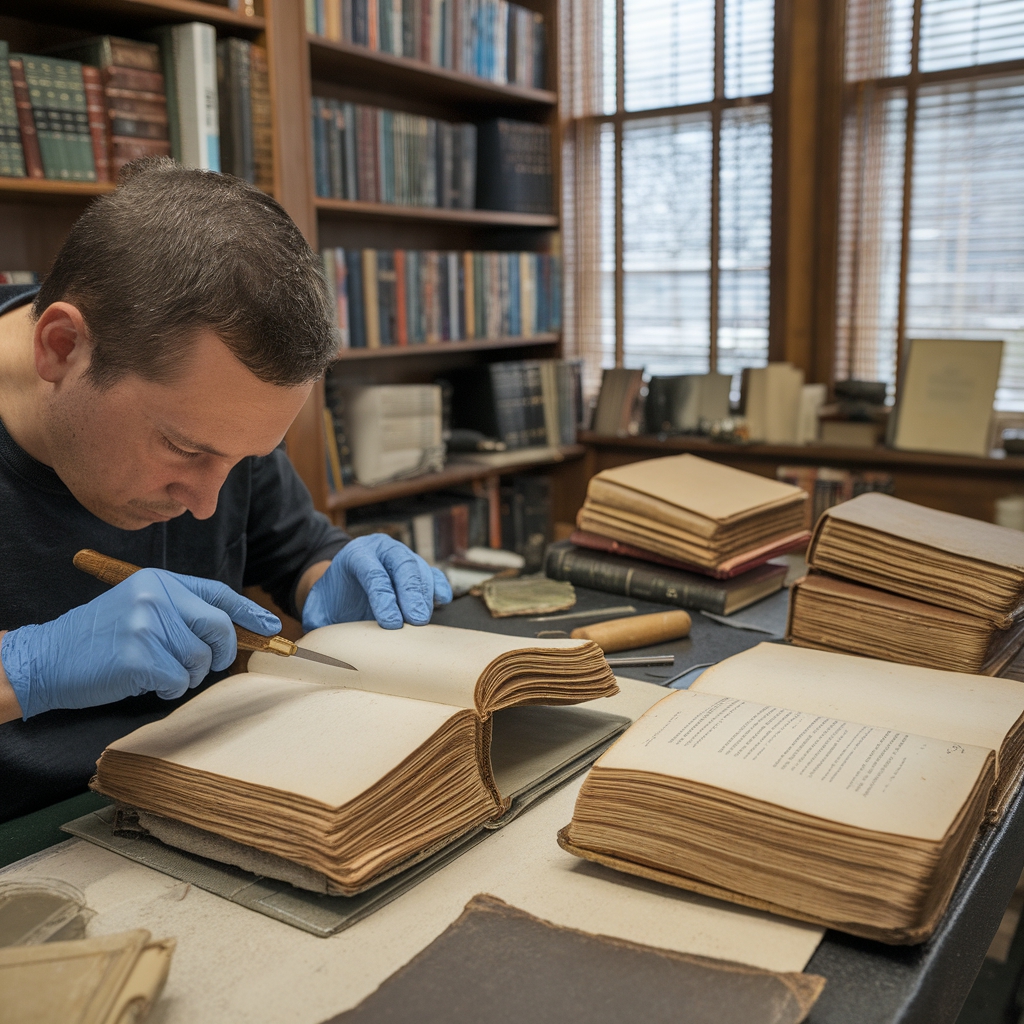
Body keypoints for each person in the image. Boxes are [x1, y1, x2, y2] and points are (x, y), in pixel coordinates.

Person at [0, 159, 452, 822]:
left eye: (241, 461)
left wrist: (330, 577)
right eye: (185, 450)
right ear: (62, 346)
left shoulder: (218, 415)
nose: (208, 502)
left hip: (192, 792)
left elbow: (298, 549)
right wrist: (25, 666)